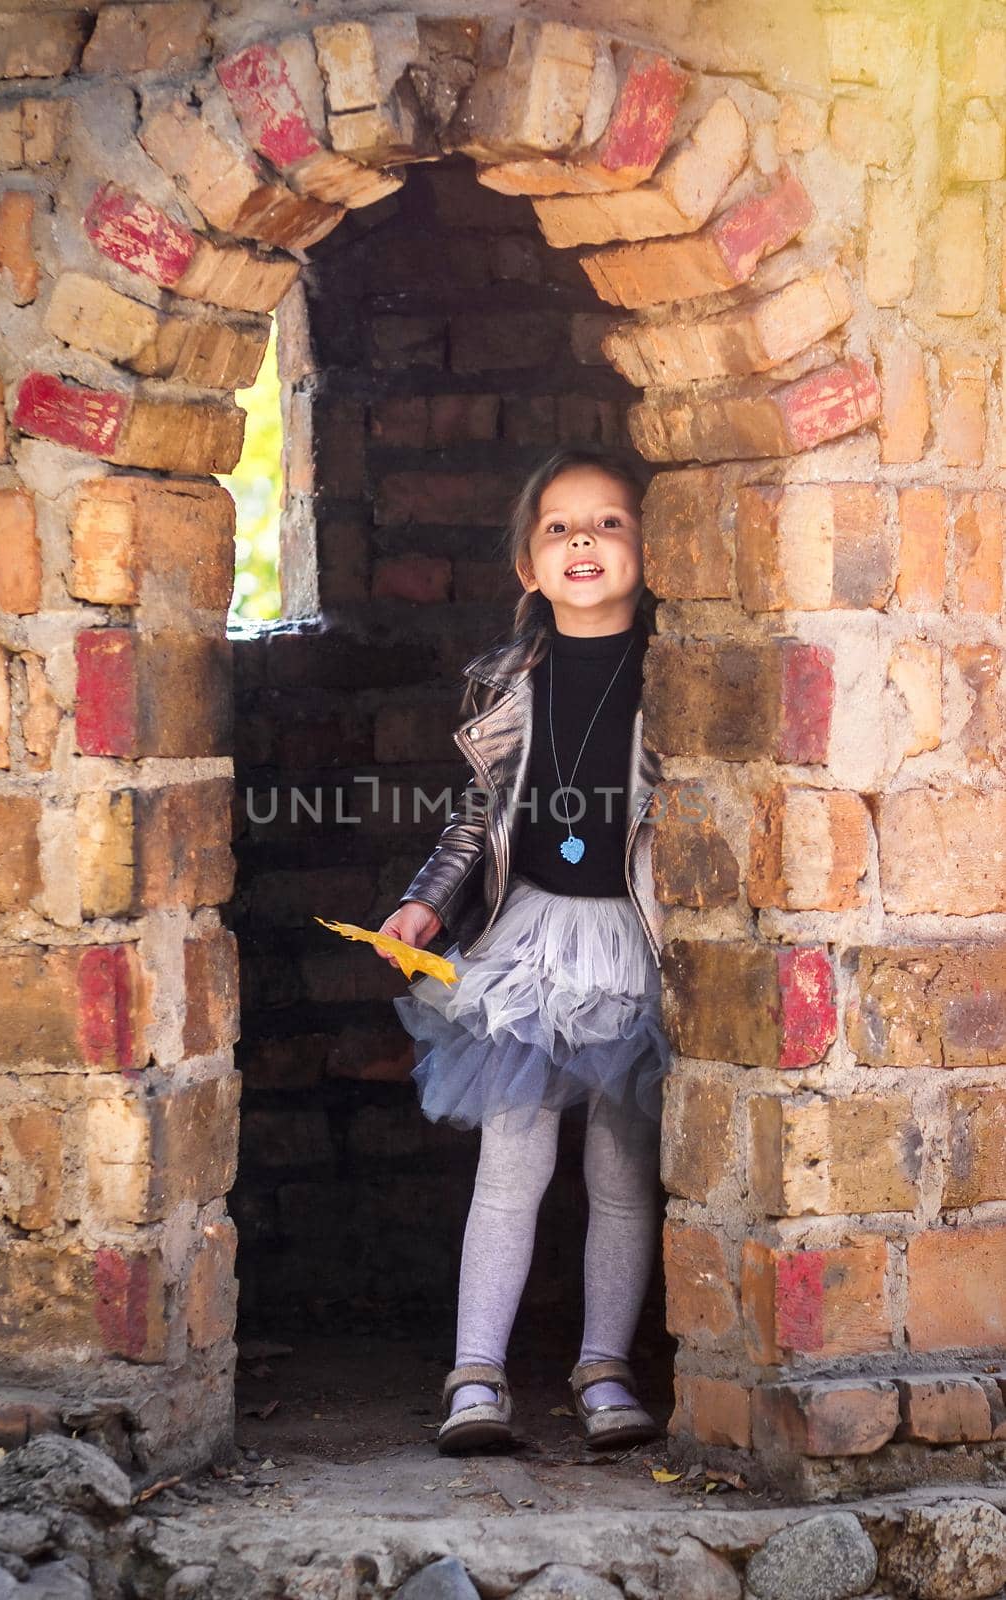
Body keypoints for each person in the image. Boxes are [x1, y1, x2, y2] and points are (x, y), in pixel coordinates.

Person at [372, 446, 672, 1456]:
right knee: (511, 1158)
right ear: (527, 568)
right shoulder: (507, 678)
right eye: (558, 527)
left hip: (637, 941)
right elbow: (473, 817)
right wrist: (425, 902)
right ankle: (474, 1375)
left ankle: (603, 1369)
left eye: (608, 523)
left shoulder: (678, 670)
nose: (582, 539)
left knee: (624, 1168)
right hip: (530, 939)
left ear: (648, 548)